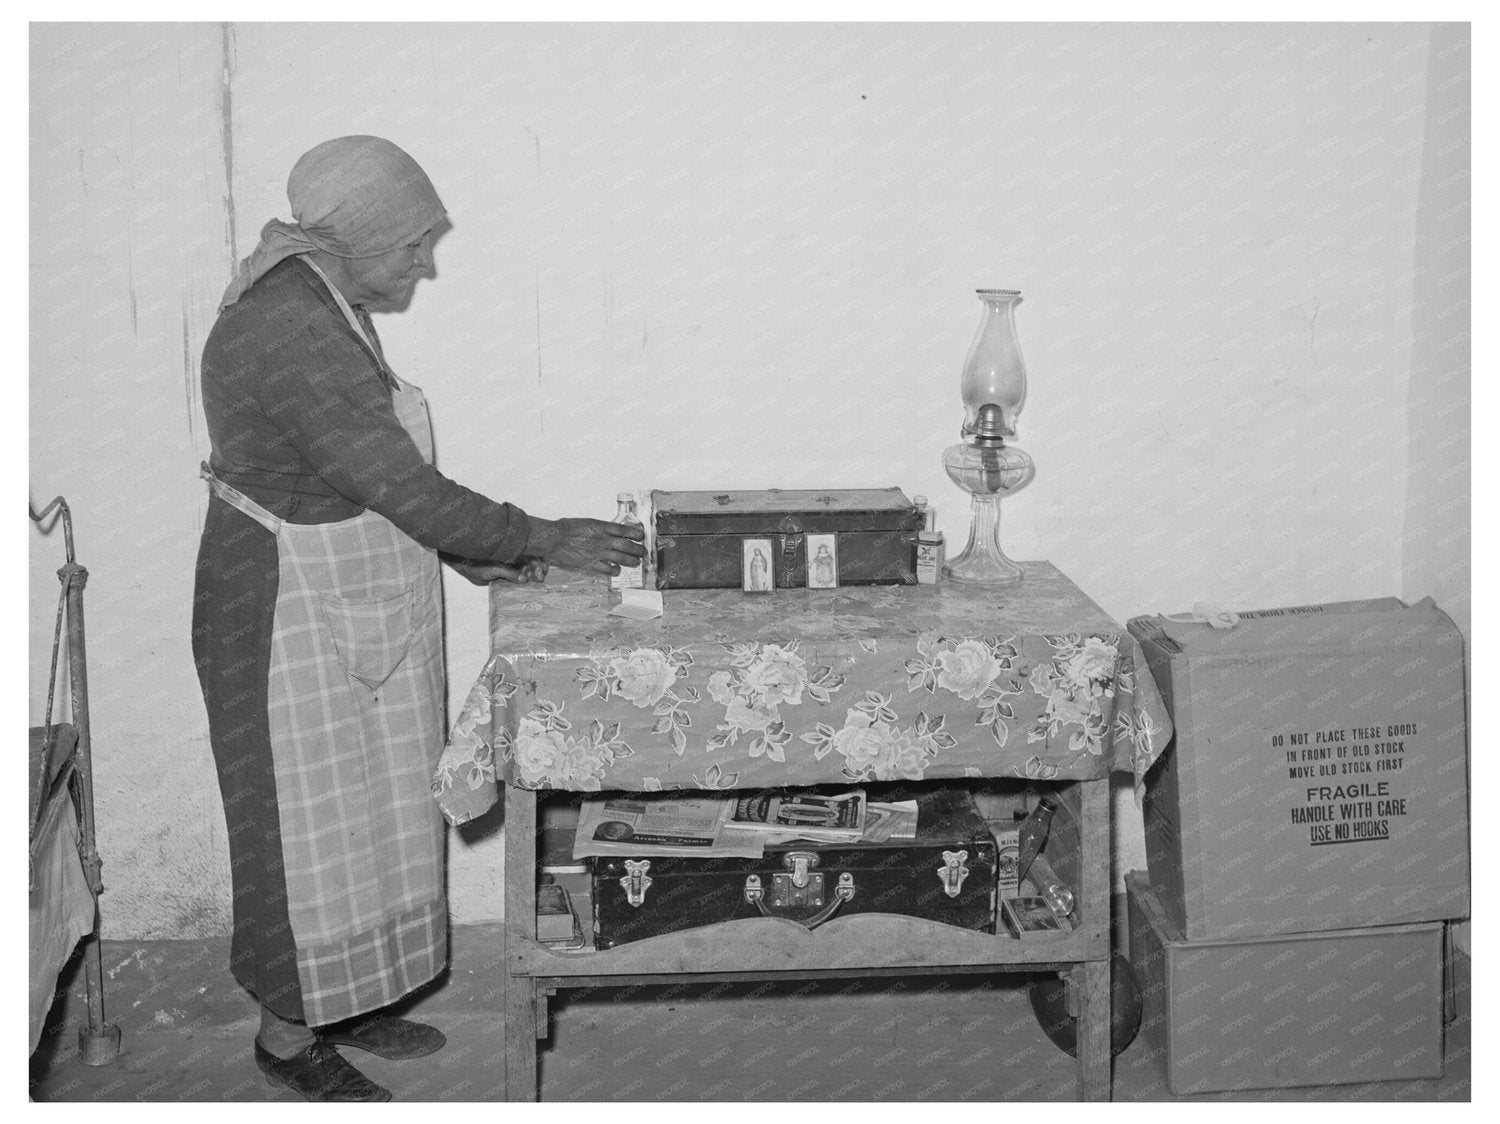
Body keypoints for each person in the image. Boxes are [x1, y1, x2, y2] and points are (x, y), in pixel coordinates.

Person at [191, 135, 644, 1102]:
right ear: (353, 240)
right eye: (412, 246)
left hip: (340, 588)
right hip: (278, 607)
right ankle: (283, 1035)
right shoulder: (289, 327)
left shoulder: (324, 294)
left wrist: (485, 551)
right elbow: (399, 481)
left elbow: (367, 473)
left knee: (368, 820)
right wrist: (540, 537)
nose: (423, 265)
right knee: (295, 834)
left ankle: (343, 998)